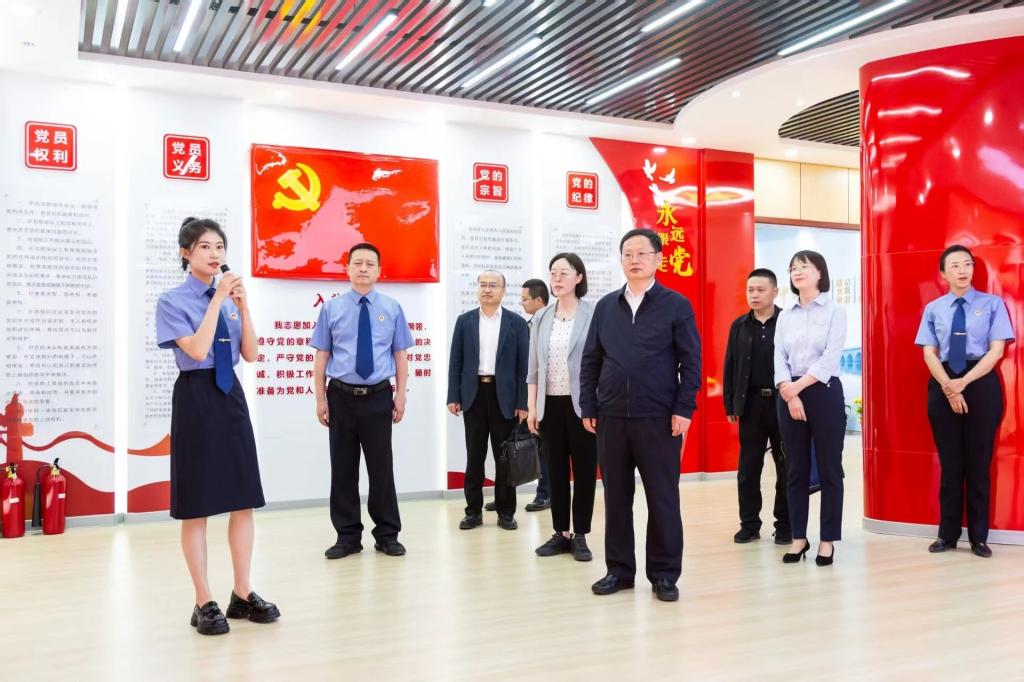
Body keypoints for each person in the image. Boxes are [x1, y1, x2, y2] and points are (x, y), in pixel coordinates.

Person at [156, 217, 279, 636]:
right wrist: (217, 300)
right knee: (197, 505)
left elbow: (251, 353)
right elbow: (196, 349)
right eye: (205, 246)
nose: (215, 254)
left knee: (243, 500)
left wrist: (243, 308)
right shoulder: (172, 301)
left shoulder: (229, 298)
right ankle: (203, 599)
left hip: (231, 397)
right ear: (186, 253)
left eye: (220, 247)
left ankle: (242, 592)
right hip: (195, 397)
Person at [580, 228, 701, 602]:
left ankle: (664, 574)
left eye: (642, 253)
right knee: (616, 498)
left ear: (658, 259)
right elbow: (591, 360)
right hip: (611, 417)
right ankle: (619, 571)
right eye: (627, 254)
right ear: (620, 260)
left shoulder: (676, 305)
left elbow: (691, 362)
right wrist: (589, 406)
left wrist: (683, 408)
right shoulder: (605, 307)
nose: (634, 260)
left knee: (663, 498)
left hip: (659, 418)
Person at [312, 242, 413, 560]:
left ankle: (387, 534)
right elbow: (322, 355)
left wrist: (400, 395)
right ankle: (347, 536)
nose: (364, 268)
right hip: (340, 397)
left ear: (379, 270)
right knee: (342, 469)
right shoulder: (332, 308)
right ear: (347, 269)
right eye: (358, 263)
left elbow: (400, 354)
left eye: (370, 263)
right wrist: (320, 398)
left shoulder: (392, 307)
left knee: (381, 469)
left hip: (378, 397)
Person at [915, 244, 1014, 558]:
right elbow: (929, 352)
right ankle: (947, 534)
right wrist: (948, 386)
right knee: (951, 463)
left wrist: (963, 383)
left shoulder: (992, 304)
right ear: (943, 273)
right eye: (955, 265)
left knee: (979, 463)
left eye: (968, 264)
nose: (963, 270)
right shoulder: (934, 309)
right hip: (943, 380)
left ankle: (978, 538)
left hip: (980, 382)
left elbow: (996, 352)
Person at [774, 250, 846, 567]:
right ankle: (799, 538)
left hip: (823, 391)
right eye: (793, 268)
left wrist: (797, 388)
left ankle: (827, 540)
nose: (797, 272)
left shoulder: (835, 311)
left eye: (804, 267)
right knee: (795, 469)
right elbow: (778, 357)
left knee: (830, 469)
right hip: (789, 394)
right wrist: (788, 393)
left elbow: (830, 358)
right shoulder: (785, 315)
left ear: (820, 273)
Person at [527, 254, 597, 562]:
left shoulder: (593, 314)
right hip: (549, 405)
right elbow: (533, 369)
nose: (557, 278)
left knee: (584, 471)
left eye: (564, 273)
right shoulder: (542, 317)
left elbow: (601, 363)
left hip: (583, 407)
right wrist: (532, 408)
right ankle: (560, 533)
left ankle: (580, 534)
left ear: (578, 277)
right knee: (555, 471)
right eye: (553, 272)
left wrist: (597, 405)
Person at [448, 271, 529, 531]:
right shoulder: (465, 321)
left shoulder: (517, 323)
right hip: (473, 394)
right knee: (474, 456)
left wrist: (523, 402)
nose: (487, 289)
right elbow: (456, 361)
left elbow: (523, 367)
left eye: (493, 285)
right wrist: (453, 396)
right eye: (483, 284)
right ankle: (473, 511)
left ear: (503, 290)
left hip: (504, 396)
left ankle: (506, 512)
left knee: (505, 456)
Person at [724, 268, 790, 545]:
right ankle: (749, 524)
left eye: (761, 290)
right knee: (749, 468)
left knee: (786, 466)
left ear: (775, 292)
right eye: (750, 290)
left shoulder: (788, 322)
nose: (754, 295)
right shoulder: (739, 326)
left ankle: (785, 525)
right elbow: (730, 366)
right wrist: (731, 404)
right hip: (750, 405)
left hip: (782, 403)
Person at [484, 279, 550, 513]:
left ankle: (545, 493)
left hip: (543, 395)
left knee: (541, 447)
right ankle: (503, 497)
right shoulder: (527, 324)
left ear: (538, 300)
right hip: (524, 395)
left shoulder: (551, 324)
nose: (522, 303)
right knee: (511, 447)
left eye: (525, 299)